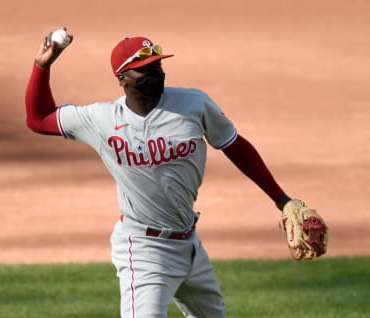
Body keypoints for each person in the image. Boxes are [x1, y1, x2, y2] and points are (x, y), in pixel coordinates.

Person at [25, 30, 293, 317]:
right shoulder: (101, 119)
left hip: (190, 245)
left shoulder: (194, 105)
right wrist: (42, 67)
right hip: (144, 249)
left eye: (157, 65)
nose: (155, 72)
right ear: (122, 78)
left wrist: (282, 199)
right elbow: (38, 119)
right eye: (144, 69)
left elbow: (235, 146)